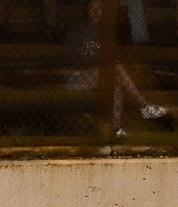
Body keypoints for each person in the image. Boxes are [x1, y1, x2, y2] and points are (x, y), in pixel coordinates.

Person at [66, 0, 167, 136]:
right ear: (88, 10)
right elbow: (73, 59)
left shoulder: (105, 32)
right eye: (93, 8)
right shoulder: (79, 31)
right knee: (116, 67)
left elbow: (110, 56)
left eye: (99, 9)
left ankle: (116, 129)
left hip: (101, 74)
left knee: (116, 84)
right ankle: (144, 106)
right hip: (78, 77)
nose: (96, 12)